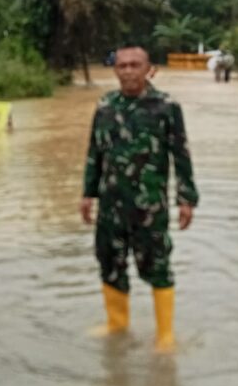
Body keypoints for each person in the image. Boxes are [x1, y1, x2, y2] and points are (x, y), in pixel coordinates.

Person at [80, 44, 198, 351]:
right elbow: (95, 153)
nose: (129, 71)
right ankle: (116, 325)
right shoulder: (105, 106)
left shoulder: (166, 107)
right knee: (110, 262)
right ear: (115, 70)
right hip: (111, 204)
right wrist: (87, 194)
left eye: (135, 65)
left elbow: (181, 154)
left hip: (150, 205)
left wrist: (186, 199)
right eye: (122, 66)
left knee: (157, 264)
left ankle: (165, 335)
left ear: (149, 69)